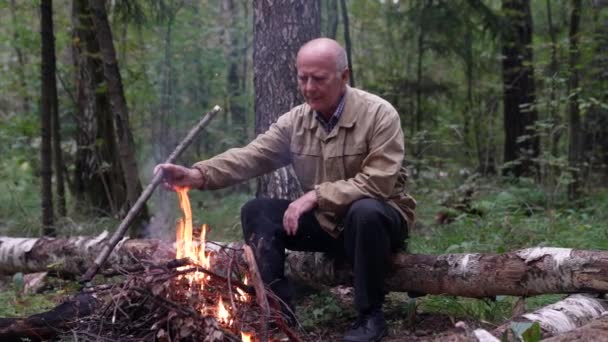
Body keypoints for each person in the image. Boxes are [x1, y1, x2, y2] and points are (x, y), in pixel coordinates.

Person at [155, 38, 416, 342]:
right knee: (257, 211)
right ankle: (279, 315)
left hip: (380, 221)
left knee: (365, 211)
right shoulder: (296, 121)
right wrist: (197, 175)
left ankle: (370, 316)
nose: (308, 88)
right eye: (302, 78)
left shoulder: (379, 114)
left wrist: (315, 196)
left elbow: (378, 182)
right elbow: (251, 156)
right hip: (329, 223)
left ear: (344, 76)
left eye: (318, 79)